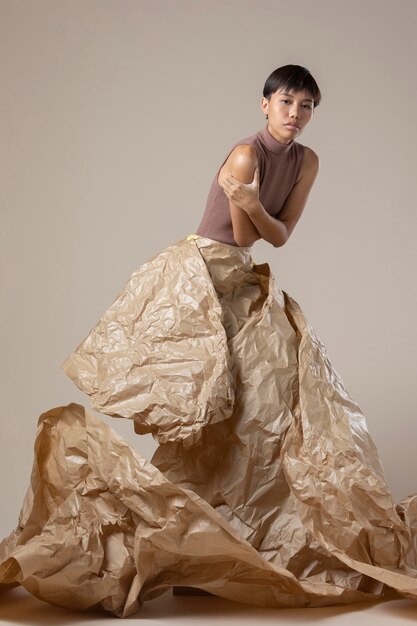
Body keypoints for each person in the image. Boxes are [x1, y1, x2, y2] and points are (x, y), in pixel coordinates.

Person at [1, 65, 417, 619]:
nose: (295, 114)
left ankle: (226, 549)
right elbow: (249, 233)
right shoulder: (245, 155)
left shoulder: (307, 160)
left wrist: (252, 204)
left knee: (266, 405)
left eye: (307, 106)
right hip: (200, 279)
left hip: (240, 278)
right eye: (286, 102)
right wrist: (251, 206)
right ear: (264, 104)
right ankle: (198, 549)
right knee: (217, 406)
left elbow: (281, 235)